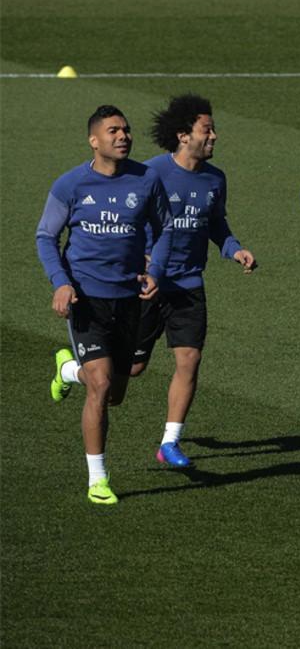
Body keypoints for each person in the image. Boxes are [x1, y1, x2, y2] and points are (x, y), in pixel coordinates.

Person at [39, 105, 172, 505]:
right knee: (100, 385)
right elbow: (46, 236)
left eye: (127, 130)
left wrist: (157, 270)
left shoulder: (147, 180)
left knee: (115, 392)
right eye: (113, 131)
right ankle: (98, 479)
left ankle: (68, 369)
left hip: (128, 300)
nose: (123, 136)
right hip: (86, 300)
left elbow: (164, 228)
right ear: (94, 141)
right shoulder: (70, 185)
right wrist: (61, 283)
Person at [123, 94, 255, 469]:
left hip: (189, 285)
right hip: (148, 286)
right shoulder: (150, 175)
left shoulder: (215, 179)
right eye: (207, 129)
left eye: (213, 129)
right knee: (128, 372)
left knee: (189, 360)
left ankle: (170, 441)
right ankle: (70, 370)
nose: (214, 136)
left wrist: (235, 249)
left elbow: (217, 226)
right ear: (183, 135)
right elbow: (125, 225)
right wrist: (138, 259)